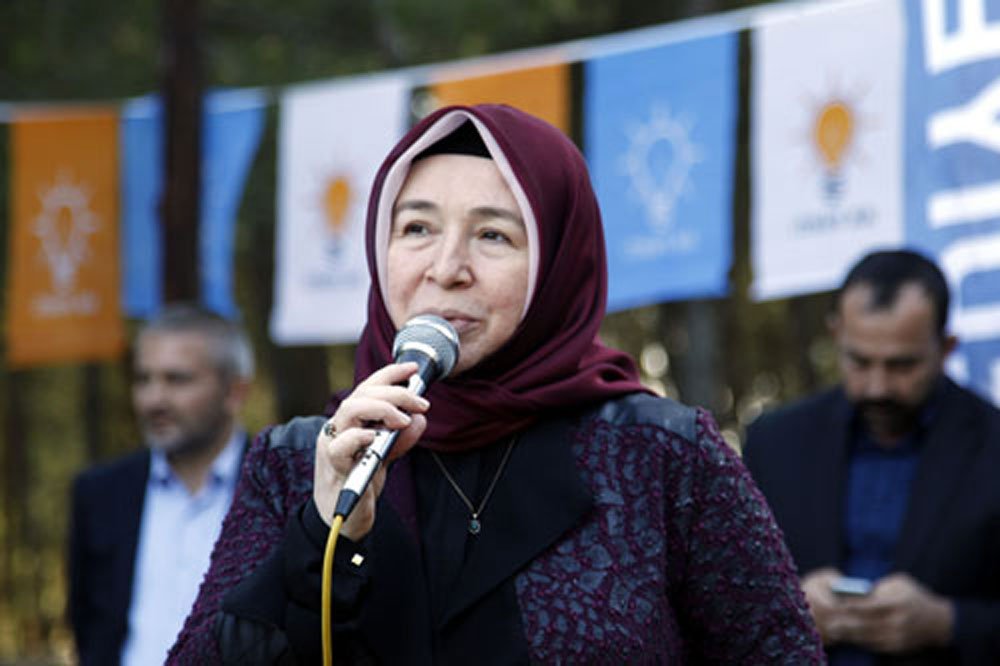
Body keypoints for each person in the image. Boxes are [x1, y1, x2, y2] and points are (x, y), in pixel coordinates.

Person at [168, 104, 822, 664]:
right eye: (417, 228)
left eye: (492, 235)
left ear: (557, 264)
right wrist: (321, 531)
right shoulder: (298, 462)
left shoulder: (663, 457)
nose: (447, 267)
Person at [743, 249, 1000, 665]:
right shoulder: (774, 445)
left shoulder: (991, 445)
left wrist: (946, 623)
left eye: (902, 365)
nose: (877, 387)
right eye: (859, 362)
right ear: (835, 335)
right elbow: (722, 598)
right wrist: (788, 608)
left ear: (946, 347)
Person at [68, 304, 255, 666]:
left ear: (235, 392)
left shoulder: (280, 488)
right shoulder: (100, 494)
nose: (154, 400)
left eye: (177, 379)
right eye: (143, 380)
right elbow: (87, 624)